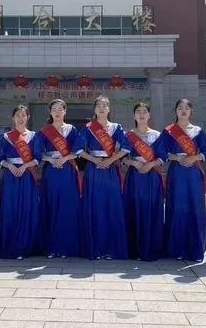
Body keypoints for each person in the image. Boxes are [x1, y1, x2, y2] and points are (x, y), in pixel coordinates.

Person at [76, 95, 129, 260]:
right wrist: (94, 160)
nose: (101, 108)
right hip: (94, 169)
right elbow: (78, 149)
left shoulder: (117, 127)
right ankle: (96, 248)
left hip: (110, 169)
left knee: (111, 206)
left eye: (105, 105)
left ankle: (112, 248)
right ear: (94, 109)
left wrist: (110, 160)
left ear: (109, 109)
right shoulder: (88, 128)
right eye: (98, 105)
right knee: (95, 207)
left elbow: (126, 147)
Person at [157, 99, 206, 261]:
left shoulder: (198, 131)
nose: (183, 110)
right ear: (176, 111)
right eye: (180, 108)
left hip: (194, 172)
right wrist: (177, 158)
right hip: (177, 171)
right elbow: (161, 151)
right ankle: (176, 249)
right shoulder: (169, 131)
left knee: (195, 206)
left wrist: (194, 157)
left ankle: (195, 249)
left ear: (191, 111)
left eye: (187, 107)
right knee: (177, 206)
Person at [0, 105, 42, 259]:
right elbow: (0, 157)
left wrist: (25, 166)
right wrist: (10, 166)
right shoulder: (6, 137)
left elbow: (38, 157)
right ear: (13, 118)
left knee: (27, 209)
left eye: (23, 115)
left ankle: (25, 246)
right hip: (11, 175)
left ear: (28, 117)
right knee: (10, 208)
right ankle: (8, 244)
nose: (20, 118)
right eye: (18, 115)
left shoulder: (34, 136)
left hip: (27, 176)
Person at [36, 99, 82, 258]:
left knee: (67, 207)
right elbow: (37, 152)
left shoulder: (72, 129)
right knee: (51, 205)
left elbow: (78, 149)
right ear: (50, 112)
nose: (57, 112)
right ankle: (51, 247)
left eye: (60, 109)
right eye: (54, 109)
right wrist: (51, 159)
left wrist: (64, 158)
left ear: (65, 111)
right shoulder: (44, 131)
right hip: (51, 171)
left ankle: (66, 247)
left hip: (67, 170)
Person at [123, 102, 165, 261]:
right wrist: (133, 163)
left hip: (152, 175)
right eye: (138, 111)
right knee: (134, 209)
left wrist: (151, 164)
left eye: (144, 111)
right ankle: (134, 250)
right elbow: (122, 157)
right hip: (134, 176)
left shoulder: (157, 135)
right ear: (134, 115)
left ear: (149, 115)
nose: (141, 114)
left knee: (151, 209)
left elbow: (163, 156)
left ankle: (152, 248)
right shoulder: (128, 135)